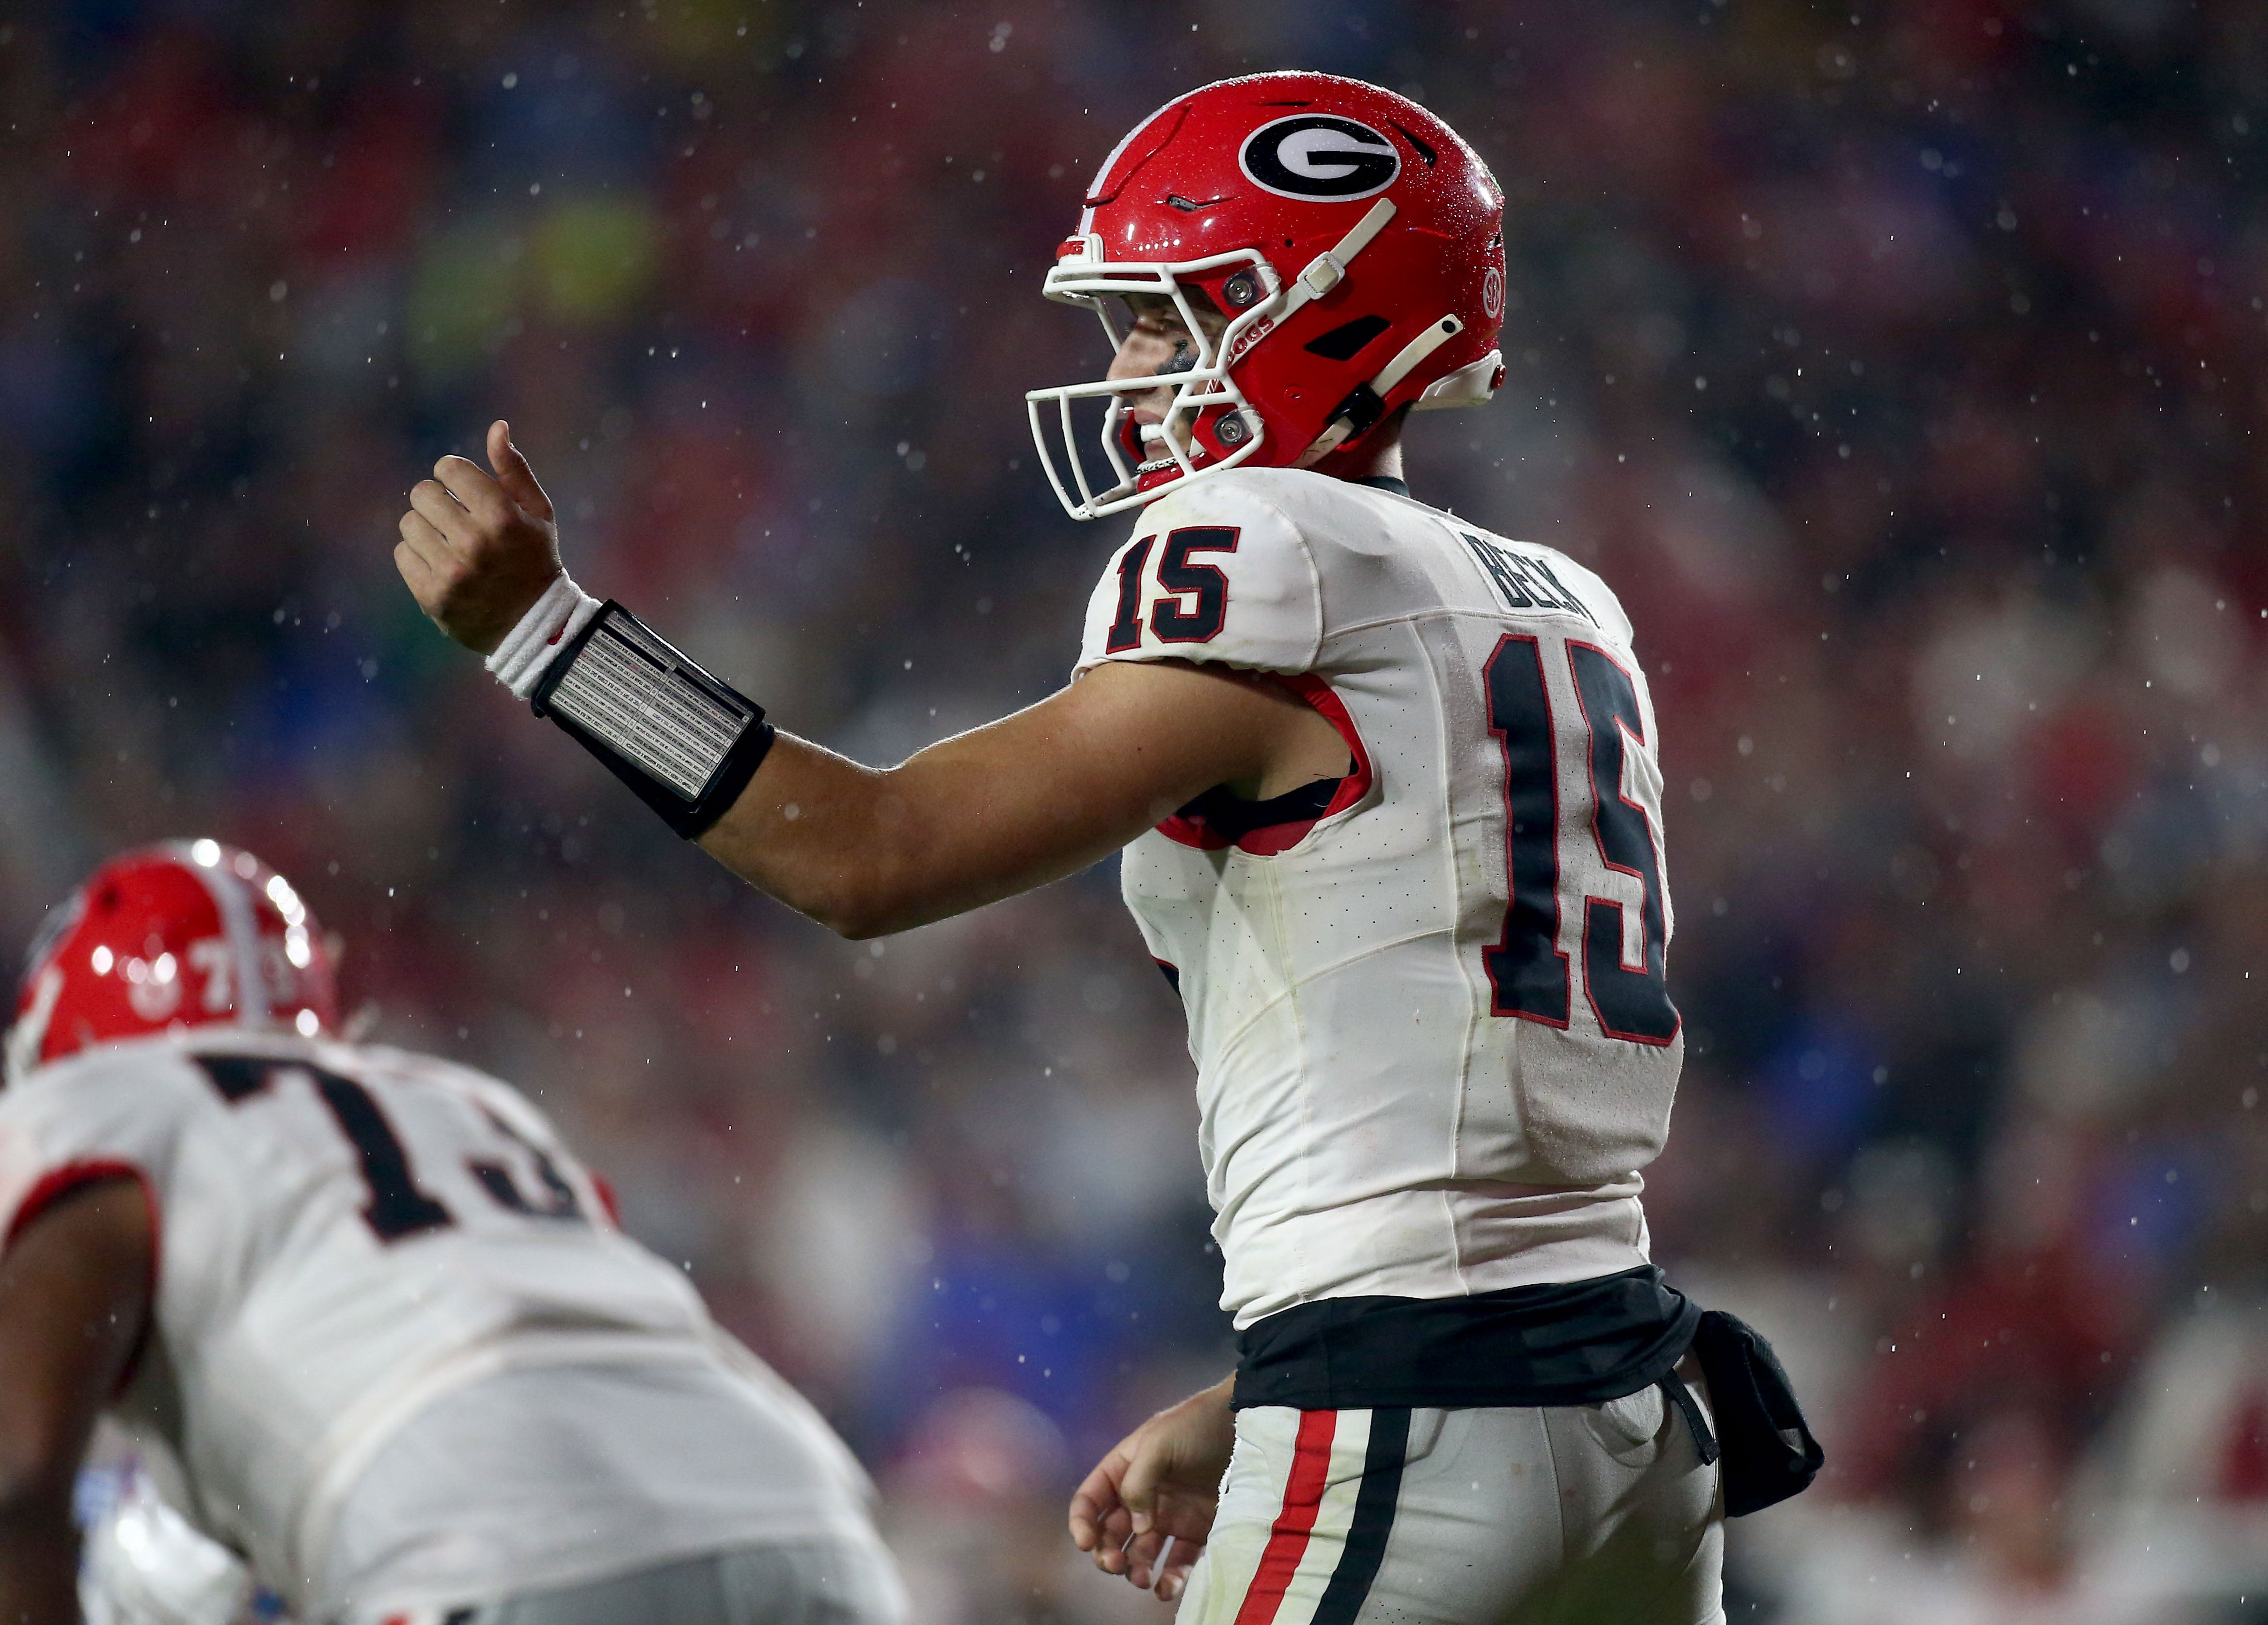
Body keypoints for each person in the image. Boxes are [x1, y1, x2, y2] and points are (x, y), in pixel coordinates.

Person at [392, 70, 1817, 1625]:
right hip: (1620, 1420)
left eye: (1170, 316)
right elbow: (1484, 1145)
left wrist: (550, 637)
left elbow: (870, 855)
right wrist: (1248, 1400)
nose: (1132, 370)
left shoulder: (1264, 544)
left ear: (1322, 316)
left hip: (1415, 1431)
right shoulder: (1562, 599)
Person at [0, 841, 908, 1625]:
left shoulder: (88, 1108)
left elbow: (14, 1481)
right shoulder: (469, 1104)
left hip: (495, 1534)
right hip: (798, 1516)